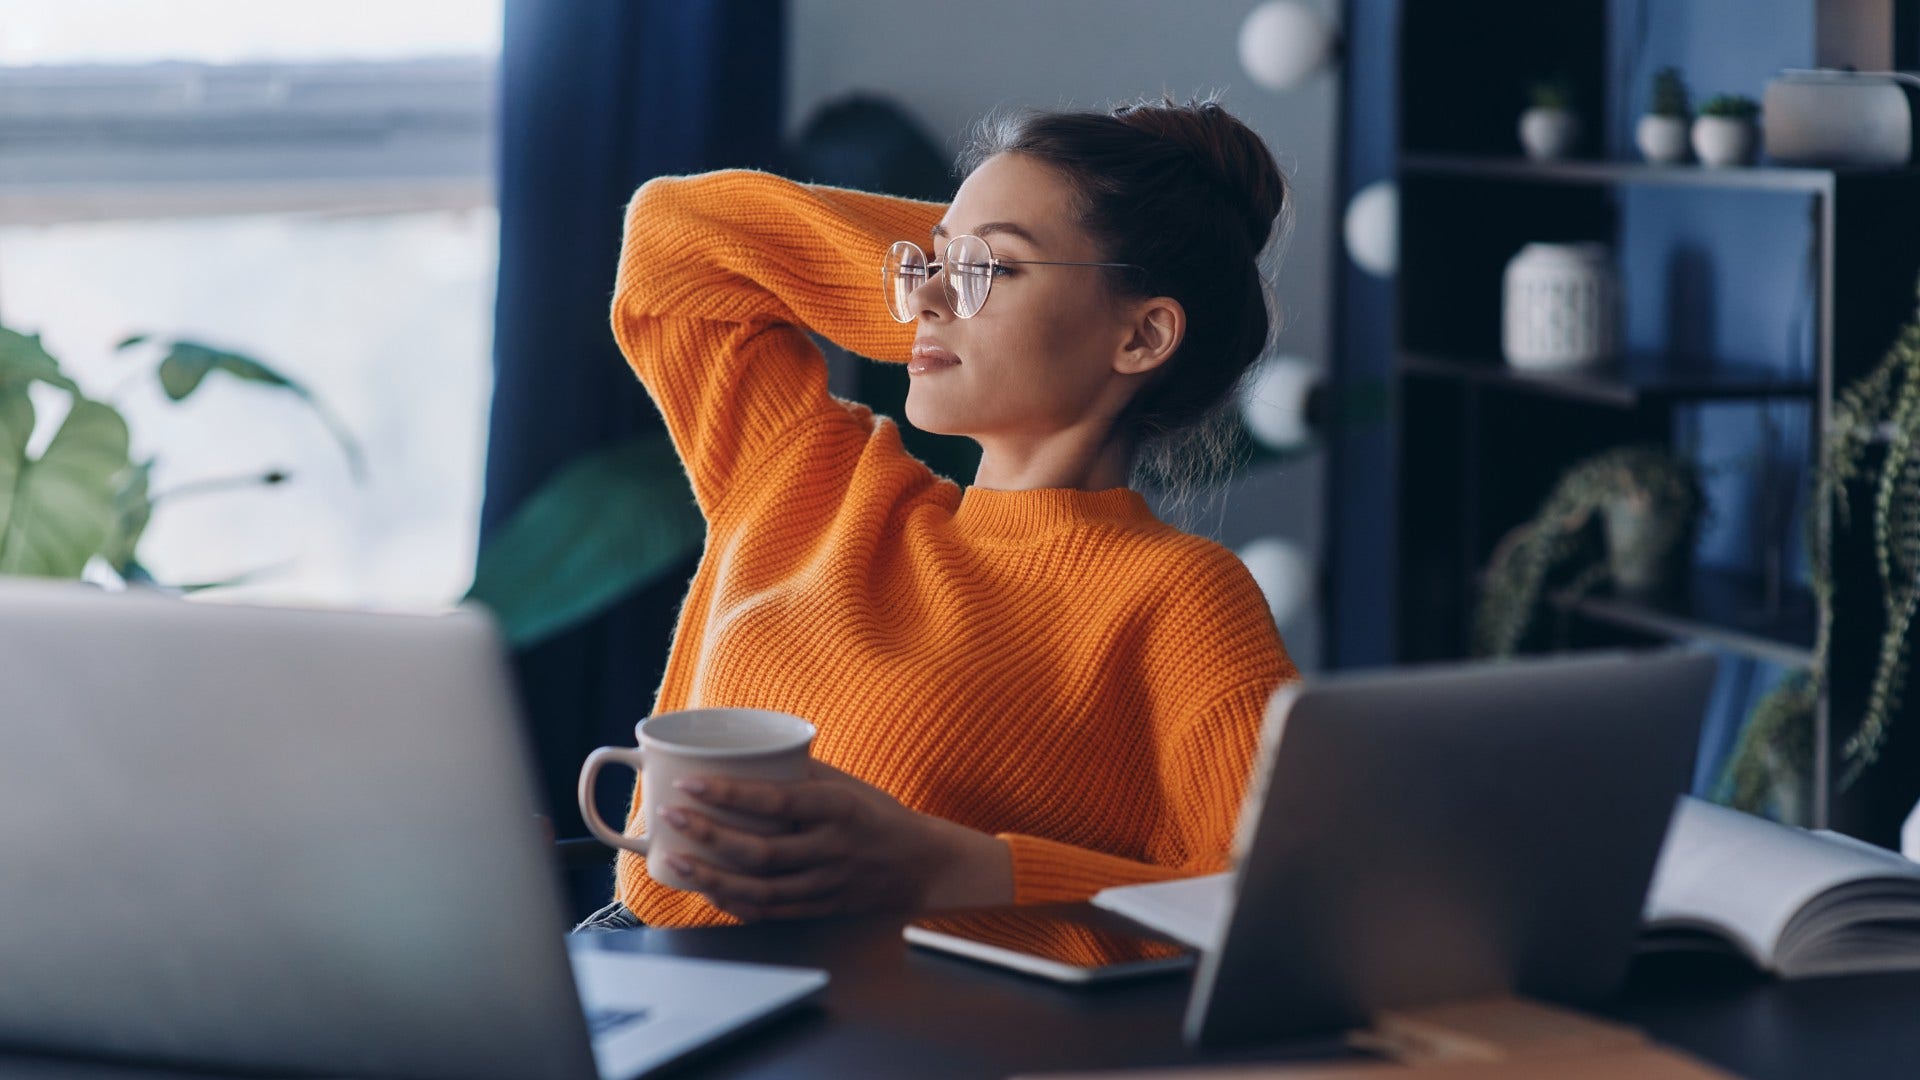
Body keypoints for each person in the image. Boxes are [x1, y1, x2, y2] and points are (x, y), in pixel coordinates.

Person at [577, 91, 1300, 931]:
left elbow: (1271, 909)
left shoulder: (1179, 597)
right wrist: (968, 272)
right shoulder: (812, 481)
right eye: (928, 261)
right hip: (641, 965)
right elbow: (674, 237)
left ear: (1141, 338)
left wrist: (964, 870)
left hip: (888, 1026)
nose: (923, 298)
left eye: (987, 270)